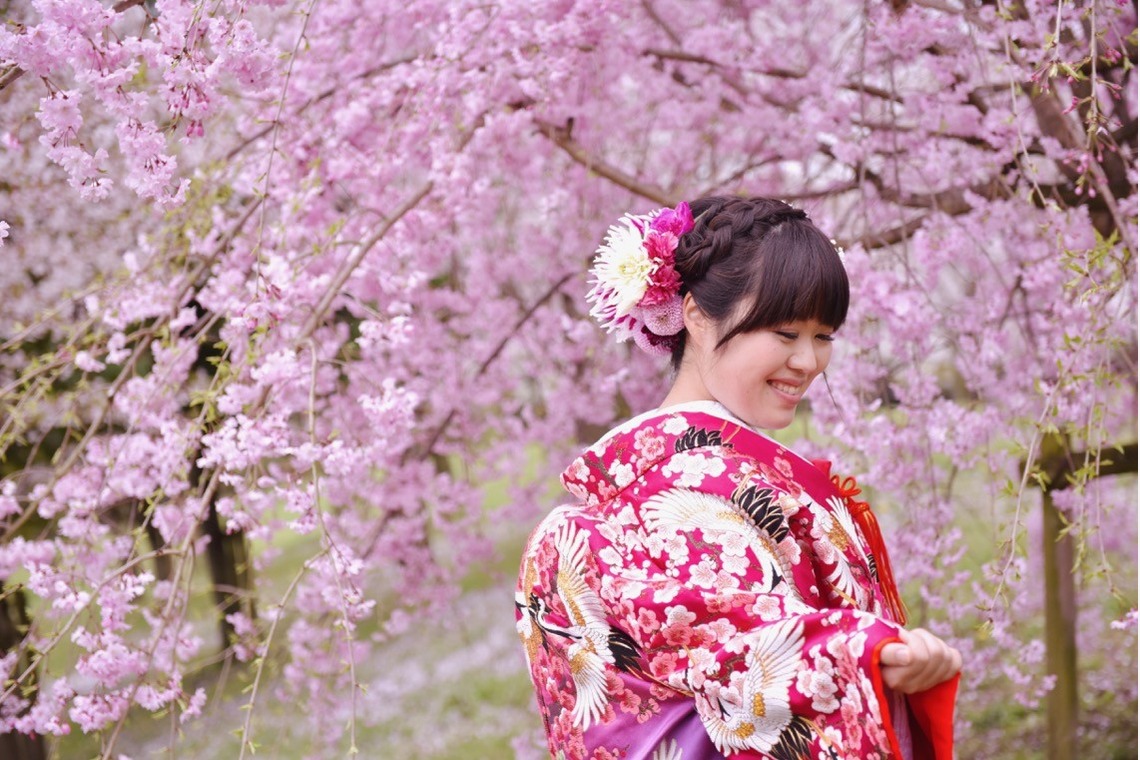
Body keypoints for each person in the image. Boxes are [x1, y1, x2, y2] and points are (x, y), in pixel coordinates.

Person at [515, 196, 962, 760]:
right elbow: (740, 651)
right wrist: (868, 653)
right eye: (784, 332)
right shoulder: (685, 484)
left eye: (823, 336)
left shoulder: (690, 470)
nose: (808, 362)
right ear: (698, 316)